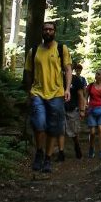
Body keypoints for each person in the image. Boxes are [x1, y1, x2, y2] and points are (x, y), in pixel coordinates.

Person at [24, 21, 72, 173]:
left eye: (51, 29)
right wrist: (29, 91)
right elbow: (29, 72)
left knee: (53, 128)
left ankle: (48, 159)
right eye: (45, 29)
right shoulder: (34, 51)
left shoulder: (61, 48)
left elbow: (68, 69)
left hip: (56, 94)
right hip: (37, 92)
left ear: (54, 32)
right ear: (42, 32)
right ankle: (39, 152)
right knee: (39, 125)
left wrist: (67, 89)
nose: (48, 32)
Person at [59, 62, 88, 160]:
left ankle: (77, 145)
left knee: (74, 132)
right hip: (60, 108)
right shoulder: (58, 78)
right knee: (60, 131)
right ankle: (61, 153)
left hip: (73, 109)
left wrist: (82, 110)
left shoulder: (76, 80)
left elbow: (81, 95)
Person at [86, 69, 101, 159]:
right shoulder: (90, 86)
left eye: (98, 74)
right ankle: (91, 148)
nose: (96, 75)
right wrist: (85, 107)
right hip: (91, 110)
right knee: (92, 132)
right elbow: (86, 98)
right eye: (96, 73)